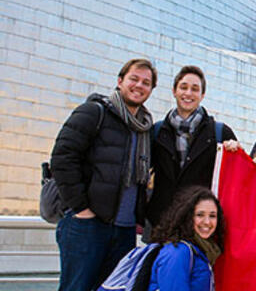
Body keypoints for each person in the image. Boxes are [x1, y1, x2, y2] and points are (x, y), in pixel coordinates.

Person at [51, 58, 157, 290]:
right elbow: (62, 158)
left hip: (124, 230)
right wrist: (81, 209)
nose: (139, 85)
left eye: (146, 82)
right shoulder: (93, 112)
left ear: (151, 90)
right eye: (134, 79)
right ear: (120, 81)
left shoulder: (145, 129)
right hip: (88, 225)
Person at [147, 65, 239, 227]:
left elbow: (237, 178)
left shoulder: (220, 133)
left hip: (201, 226)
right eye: (183, 87)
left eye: (195, 89)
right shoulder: (157, 131)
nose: (188, 93)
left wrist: (236, 152)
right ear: (174, 91)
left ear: (202, 95)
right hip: (161, 224)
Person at [148, 186, 224, 291]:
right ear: (187, 217)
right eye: (200, 215)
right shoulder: (178, 252)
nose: (207, 222)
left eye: (212, 216)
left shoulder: (200, 250)